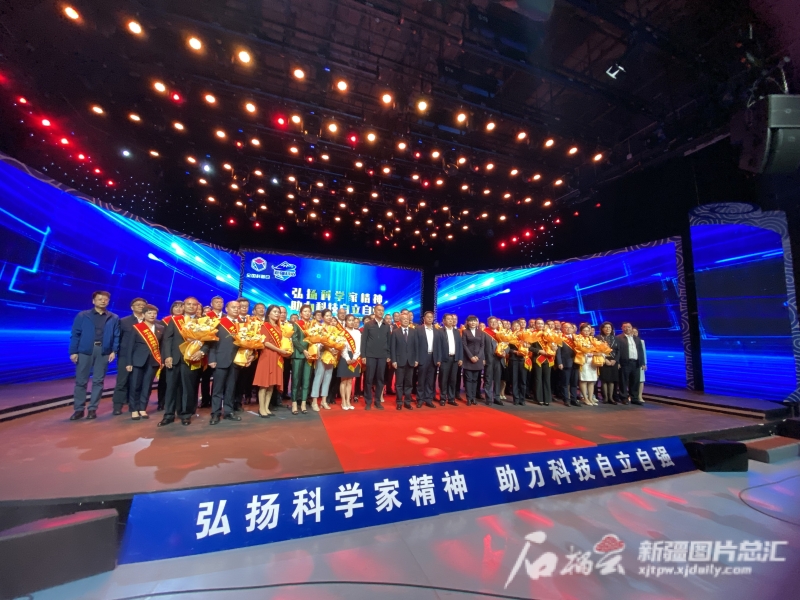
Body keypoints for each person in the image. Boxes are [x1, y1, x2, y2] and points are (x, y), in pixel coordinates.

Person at [69, 291, 120, 420]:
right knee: (81, 381)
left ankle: (92, 409)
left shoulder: (113, 318)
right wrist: (73, 351)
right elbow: (75, 334)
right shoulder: (83, 315)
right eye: (100, 299)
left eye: (105, 299)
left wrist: (114, 351)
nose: (103, 301)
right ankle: (79, 409)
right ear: (93, 301)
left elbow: (116, 336)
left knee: (98, 381)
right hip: (85, 350)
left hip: (103, 351)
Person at [159, 296, 208, 426]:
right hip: (174, 359)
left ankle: (186, 415)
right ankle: (168, 415)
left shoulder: (202, 322)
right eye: (188, 304)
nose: (191, 306)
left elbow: (209, 341)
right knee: (171, 388)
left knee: (188, 388)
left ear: (198, 306)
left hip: (192, 359)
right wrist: (167, 356)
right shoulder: (175, 320)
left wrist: (202, 352)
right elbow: (167, 339)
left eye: (194, 304)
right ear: (184, 306)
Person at [123, 304, 164, 420]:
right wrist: (129, 362)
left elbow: (162, 346)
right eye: (149, 313)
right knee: (135, 385)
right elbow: (130, 346)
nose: (152, 315)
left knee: (147, 386)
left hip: (153, 361)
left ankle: (142, 408)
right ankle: (134, 409)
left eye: (154, 313)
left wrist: (162, 360)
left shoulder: (161, 328)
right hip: (137, 361)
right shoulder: (137, 327)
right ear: (144, 314)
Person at [207, 300, 244, 424]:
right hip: (220, 360)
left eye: (238, 307)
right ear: (226, 309)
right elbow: (212, 342)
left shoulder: (242, 325)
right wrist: (212, 358)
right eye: (233, 307)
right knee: (217, 389)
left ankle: (228, 411)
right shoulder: (219, 323)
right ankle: (215, 413)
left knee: (231, 388)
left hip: (236, 361)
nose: (236, 309)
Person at [253, 305, 291, 417]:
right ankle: (261, 408)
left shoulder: (279, 327)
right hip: (267, 356)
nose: (277, 314)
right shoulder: (265, 325)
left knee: (271, 384)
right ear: (268, 313)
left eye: (278, 312)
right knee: (264, 384)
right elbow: (266, 342)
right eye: (274, 311)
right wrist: (280, 350)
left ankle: (266, 407)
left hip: (276, 357)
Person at [111, 297, 147, 415]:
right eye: (138, 304)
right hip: (125, 356)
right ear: (132, 307)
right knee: (122, 381)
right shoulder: (124, 321)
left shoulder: (150, 322)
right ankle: (118, 405)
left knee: (139, 382)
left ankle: (137, 405)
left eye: (143, 305)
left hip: (142, 357)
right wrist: (114, 351)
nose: (140, 306)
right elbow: (118, 338)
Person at [361, 304, 391, 410]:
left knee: (380, 379)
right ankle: (368, 401)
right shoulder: (368, 324)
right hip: (370, 355)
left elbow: (389, 341)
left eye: (382, 310)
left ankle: (377, 401)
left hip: (382, 356)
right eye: (379, 310)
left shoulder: (386, 325)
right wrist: (363, 355)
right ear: (374, 311)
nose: (381, 312)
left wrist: (388, 355)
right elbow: (364, 341)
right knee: (369, 379)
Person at [157, 301, 184, 411]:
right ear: (172, 308)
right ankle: (161, 402)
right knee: (164, 381)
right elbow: (163, 341)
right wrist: (164, 356)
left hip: (182, 356)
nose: (178, 309)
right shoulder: (165, 321)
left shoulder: (187, 321)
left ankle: (178, 405)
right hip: (167, 355)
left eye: (180, 307)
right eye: (175, 307)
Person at [310, 309, 338, 412]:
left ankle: (324, 401)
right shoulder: (319, 328)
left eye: (330, 315)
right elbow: (316, 342)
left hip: (331, 356)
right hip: (321, 355)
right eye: (327, 316)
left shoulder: (334, 329)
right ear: (322, 317)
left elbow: (337, 341)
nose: (329, 317)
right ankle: (314, 401)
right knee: (318, 377)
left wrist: (335, 349)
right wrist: (327, 347)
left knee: (328, 378)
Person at [391, 313, 418, 410]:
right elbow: (393, 347)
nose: (406, 320)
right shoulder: (395, 332)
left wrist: (416, 359)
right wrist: (394, 360)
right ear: (400, 321)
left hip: (411, 361)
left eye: (407, 319)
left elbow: (416, 346)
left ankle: (407, 402)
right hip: (399, 361)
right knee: (399, 383)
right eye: (404, 319)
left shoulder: (413, 331)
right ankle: (399, 402)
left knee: (409, 383)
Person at [290, 304, 313, 415]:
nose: (307, 313)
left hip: (310, 356)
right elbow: (294, 339)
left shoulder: (313, 326)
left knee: (306, 380)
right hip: (298, 355)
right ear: (301, 313)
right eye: (305, 311)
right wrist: (303, 350)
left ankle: (303, 403)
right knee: (296, 380)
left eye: (309, 311)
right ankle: (294, 403)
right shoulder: (297, 324)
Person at [234, 297, 256, 409]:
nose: (244, 308)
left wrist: (253, 354)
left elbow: (256, 338)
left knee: (244, 380)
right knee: (232, 381)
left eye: (246, 306)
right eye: (241, 306)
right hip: (233, 356)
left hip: (247, 355)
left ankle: (238, 402)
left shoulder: (252, 321)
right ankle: (230, 403)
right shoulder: (232, 320)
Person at [616, 322, 645, 405]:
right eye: (625, 327)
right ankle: (624, 398)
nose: (627, 328)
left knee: (635, 381)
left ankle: (634, 398)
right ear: (622, 328)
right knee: (623, 381)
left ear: (631, 328)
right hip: (624, 362)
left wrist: (642, 363)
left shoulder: (637, 339)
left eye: (629, 327)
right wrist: (618, 362)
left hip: (635, 363)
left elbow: (640, 351)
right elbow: (617, 351)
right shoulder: (618, 338)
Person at [415, 311, 440, 408]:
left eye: (431, 317)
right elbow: (415, 345)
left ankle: (428, 399)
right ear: (424, 318)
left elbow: (439, 347)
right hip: (422, 357)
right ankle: (420, 399)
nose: (430, 319)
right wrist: (416, 358)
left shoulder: (436, 331)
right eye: (428, 317)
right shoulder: (418, 329)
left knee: (430, 380)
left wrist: (438, 359)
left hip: (433, 357)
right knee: (421, 380)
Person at [437, 313, 463, 406]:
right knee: (443, 379)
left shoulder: (456, 332)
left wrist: (460, 358)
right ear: (444, 321)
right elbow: (438, 347)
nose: (451, 320)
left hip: (455, 359)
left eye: (452, 319)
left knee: (453, 379)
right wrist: (438, 359)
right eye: (448, 319)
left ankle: (451, 398)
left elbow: (460, 346)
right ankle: (443, 398)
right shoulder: (440, 331)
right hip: (444, 359)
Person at [338, 314, 362, 410]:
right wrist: (347, 358)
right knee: (344, 380)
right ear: (346, 322)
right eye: (349, 320)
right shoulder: (342, 332)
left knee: (350, 381)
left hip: (354, 356)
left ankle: (348, 401)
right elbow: (342, 347)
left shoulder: (357, 332)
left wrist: (355, 357)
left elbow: (358, 346)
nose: (351, 322)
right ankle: (343, 401)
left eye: (353, 320)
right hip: (345, 357)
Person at [461, 315, 485, 406]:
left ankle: (474, 398)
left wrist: (478, 357)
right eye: (471, 321)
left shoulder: (481, 332)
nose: (473, 322)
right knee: (468, 379)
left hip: (478, 359)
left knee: (475, 380)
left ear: (477, 322)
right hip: (468, 359)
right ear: (467, 322)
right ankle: (469, 398)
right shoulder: (465, 332)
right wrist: (471, 356)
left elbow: (482, 346)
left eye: (474, 321)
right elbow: (464, 345)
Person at [556, 322, 580, 407]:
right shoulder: (560, 338)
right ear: (562, 329)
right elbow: (558, 352)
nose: (568, 329)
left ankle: (574, 399)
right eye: (566, 327)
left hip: (576, 362)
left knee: (574, 383)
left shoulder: (576, 338)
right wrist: (559, 362)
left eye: (570, 327)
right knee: (565, 383)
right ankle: (566, 399)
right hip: (565, 363)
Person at [530, 318, 553, 406]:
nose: (540, 325)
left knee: (547, 379)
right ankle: (538, 398)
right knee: (538, 379)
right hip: (538, 359)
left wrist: (554, 348)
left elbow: (553, 344)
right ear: (535, 325)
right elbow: (529, 347)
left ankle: (547, 399)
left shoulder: (548, 334)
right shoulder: (532, 334)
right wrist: (539, 351)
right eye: (538, 323)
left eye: (542, 324)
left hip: (548, 359)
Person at [483, 316, 504, 406]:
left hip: (499, 359)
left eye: (495, 322)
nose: (494, 323)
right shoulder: (485, 333)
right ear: (488, 323)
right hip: (489, 358)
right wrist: (483, 358)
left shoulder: (501, 333)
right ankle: (488, 398)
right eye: (491, 322)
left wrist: (505, 352)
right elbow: (482, 346)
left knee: (497, 379)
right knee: (488, 379)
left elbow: (507, 345)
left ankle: (497, 398)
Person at [575, 323, 598, 406]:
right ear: (581, 331)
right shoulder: (578, 339)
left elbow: (598, 349)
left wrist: (597, 353)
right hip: (583, 361)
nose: (586, 332)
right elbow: (577, 350)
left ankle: (591, 398)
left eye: (588, 330)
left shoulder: (593, 339)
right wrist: (588, 353)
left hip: (592, 362)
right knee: (584, 380)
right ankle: (585, 398)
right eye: (584, 330)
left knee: (592, 380)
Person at [598, 321, 620, 405]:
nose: (608, 329)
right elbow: (597, 350)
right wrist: (605, 359)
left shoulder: (616, 338)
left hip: (613, 361)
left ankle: (611, 398)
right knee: (604, 380)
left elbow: (618, 351)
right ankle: (605, 398)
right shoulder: (598, 338)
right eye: (606, 327)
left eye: (609, 327)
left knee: (612, 380)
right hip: (604, 360)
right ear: (602, 329)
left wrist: (615, 360)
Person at [508, 321, 528, 405]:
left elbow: (529, 347)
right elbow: (507, 348)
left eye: (518, 326)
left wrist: (527, 346)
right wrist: (515, 352)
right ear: (512, 327)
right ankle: (516, 398)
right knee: (514, 380)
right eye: (514, 326)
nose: (516, 327)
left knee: (523, 380)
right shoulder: (509, 336)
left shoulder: (525, 336)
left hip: (523, 360)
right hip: (514, 359)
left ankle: (522, 399)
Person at [279, 305, 292, 403]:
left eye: (284, 313)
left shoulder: (290, 325)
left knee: (286, 373)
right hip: (277, 353)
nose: (283, 314)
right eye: (281, 312)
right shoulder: (274, 325)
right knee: (278, 375)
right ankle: (277, 396)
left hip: (287, 354)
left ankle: (284, 393)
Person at [632, 327, 647, 404]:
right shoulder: (628, 341)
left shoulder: (641, 341)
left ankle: (640, 396)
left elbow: (643, 353)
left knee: (641, 380)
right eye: (633, 332)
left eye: (636, 332)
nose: (635, 333)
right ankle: (631, 396)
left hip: (639, 363)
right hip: (631, 363)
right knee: (632, 380)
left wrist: (644, 363)